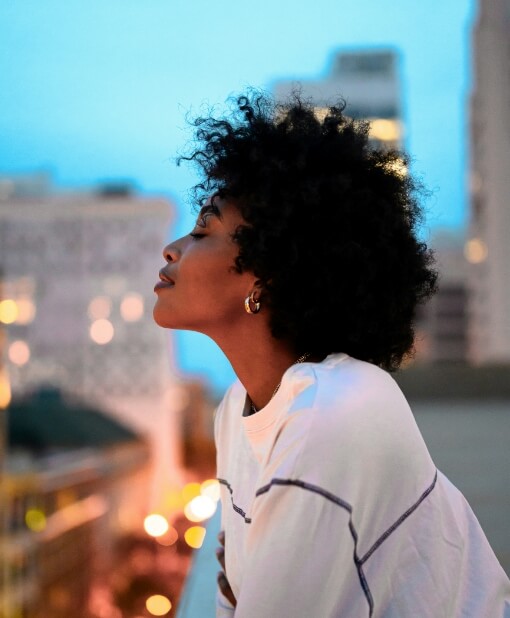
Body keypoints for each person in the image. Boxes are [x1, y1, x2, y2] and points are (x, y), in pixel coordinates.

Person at [153, 91, 510, 617]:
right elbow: (234, 595)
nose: (173, 248)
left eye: (204, 229)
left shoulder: (333, 412)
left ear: (267, 275)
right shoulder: (236, 410)